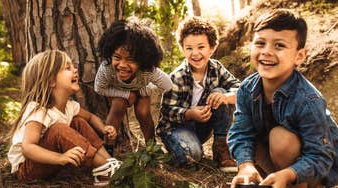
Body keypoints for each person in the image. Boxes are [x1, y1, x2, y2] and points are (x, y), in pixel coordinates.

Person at [228, 9, 338, 188]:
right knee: (249, 138)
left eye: (279, 45)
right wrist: (245, 165)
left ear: (299, 56)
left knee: (280, 138)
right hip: (277, 161)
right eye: (260, 43)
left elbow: (320, 155)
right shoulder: (247, 89)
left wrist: (289, 174)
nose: (267, 52)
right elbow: (241, 133)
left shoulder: (309, 100)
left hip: (316, 171)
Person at [8, 50, 121, 187]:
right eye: (68, 68)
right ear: (51, 81)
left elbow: (90, 117)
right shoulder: (38, 111)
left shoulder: (70, 106)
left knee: (78, 121)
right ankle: (104, 167)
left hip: (49, 163)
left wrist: (103, 128)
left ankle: (108, 163)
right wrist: (60, 158)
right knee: (58, 129)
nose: (75, 70)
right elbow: (28, 148)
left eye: (73, 66)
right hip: (27, 168)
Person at [156, 16, 240, 172]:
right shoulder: (177, 77)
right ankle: (182, 149)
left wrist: (226, 97)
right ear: (182, 49)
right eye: (189, 48)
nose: (195, 53)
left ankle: (221, 146)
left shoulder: (216, 68)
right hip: (176, 128)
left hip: (201, 126)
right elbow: (167, 112)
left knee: (220, 93)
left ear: (212, 48)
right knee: (192, 155)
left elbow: (240, 88)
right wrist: (189, 114)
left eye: (201, 47)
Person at [94, 17, 172, 147]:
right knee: (118, 106)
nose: (122, 65)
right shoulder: (107, 68)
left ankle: (151, 147)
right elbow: (99, 88)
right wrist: (127, 95)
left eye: (131, 60)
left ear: (142, 60)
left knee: (143, 111)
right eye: (117, 57)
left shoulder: (148, 71)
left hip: (141, 89)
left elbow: (167, 85)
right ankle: (108, 148)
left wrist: (144, 90)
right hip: (119, 91)